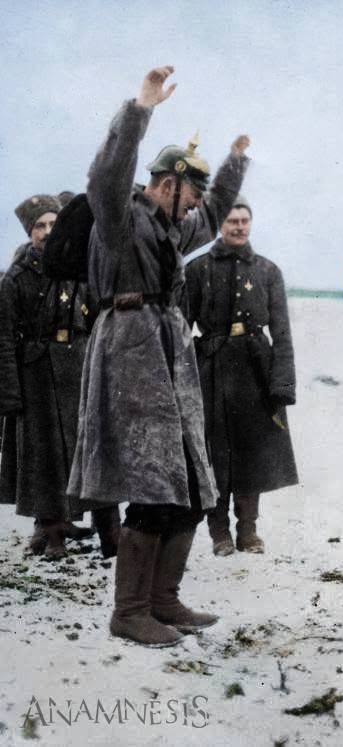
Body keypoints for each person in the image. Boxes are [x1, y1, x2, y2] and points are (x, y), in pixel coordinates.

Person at [67, 65, 250, 647]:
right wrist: (140, 108)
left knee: (191, 482)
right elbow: (106, 170)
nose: (194, 205)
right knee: (151, 482)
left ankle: (164, 600)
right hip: (129, 349)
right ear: (167, 183)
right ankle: (130, 611)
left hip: (169, 352)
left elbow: (216, 212)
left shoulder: (174, 229)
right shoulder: (119, 218)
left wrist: (234, 162)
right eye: (188, 193)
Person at [185, 194, 298, 556]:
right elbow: (180, 331)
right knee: (213, 454)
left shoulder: (267, 271)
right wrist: (182, 381)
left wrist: (282, 384)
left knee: (252, 453)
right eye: (232, 220)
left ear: (251, 224)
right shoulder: (197, 269)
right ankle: (219, 534)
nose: (238, 227)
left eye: (244, 221)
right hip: (212, 369)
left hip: (255, 372)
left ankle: (248, 531)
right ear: (220, 223)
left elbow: (281, 332)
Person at [0, 195, 112, 559]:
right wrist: (10, 393)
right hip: (37, 374)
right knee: (44, 455)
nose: (47, 233)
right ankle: (51, 536)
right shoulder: (16, 278)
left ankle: (90, 528)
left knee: (82, 451)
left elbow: (98, 321)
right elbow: (3, 338)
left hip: (78, 367)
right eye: (39, 227)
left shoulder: (79, 268)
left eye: (53, 224)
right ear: (30, 233)